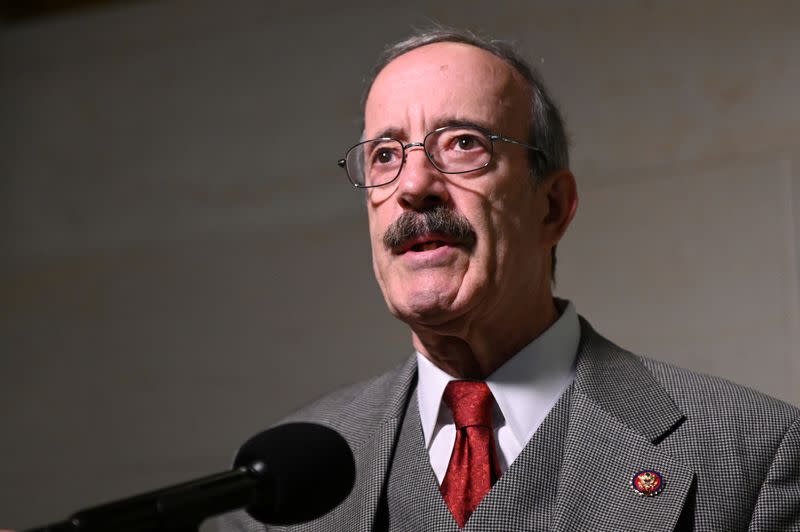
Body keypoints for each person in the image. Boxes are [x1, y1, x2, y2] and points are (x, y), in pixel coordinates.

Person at [218, 28, 800, 531]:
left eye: (464, 144)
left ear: (552, 207)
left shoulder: (752, 453)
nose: (413, 185)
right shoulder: (272, 485)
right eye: (385, 156)